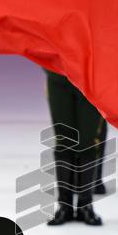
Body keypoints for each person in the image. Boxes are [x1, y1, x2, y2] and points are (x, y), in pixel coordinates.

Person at [44, 69, 106, 226]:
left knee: (88, 141)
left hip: (92, 78)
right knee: (63, 141)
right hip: (58, 76)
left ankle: (85, 205)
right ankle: (65, 206)